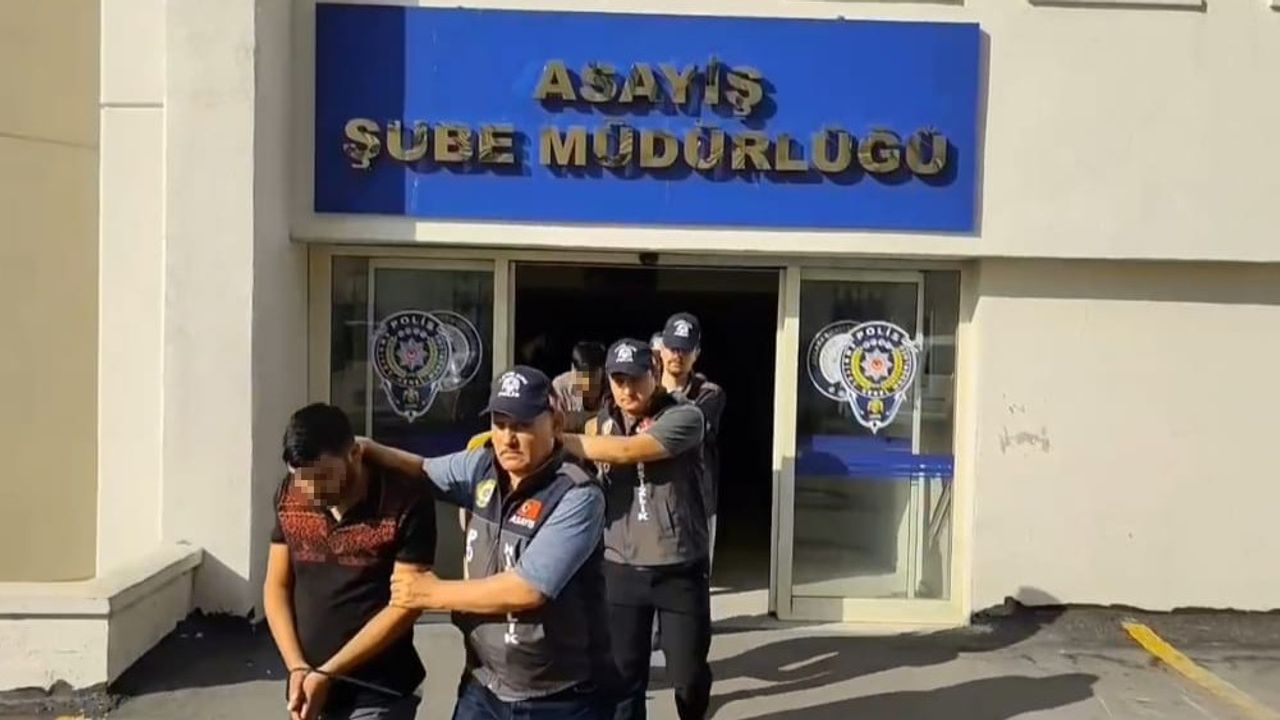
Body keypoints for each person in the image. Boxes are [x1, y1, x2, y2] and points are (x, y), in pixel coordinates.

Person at [360, 366, 613, 720]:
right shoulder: (481, 467)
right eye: (500, 424)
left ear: (556, 424)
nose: (508, 439)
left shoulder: (577, 494)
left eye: (522, 425)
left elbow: (527, 589)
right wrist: (366, 449)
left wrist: (430, 593)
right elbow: (422, 470)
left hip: (558, 697)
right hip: (483, 684)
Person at [559, 339, 712, 720]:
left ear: (655, 373)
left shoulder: (685, 416)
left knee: (688, 677)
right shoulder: (601, 422)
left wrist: (553, 437)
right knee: (623, 681)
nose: (627, 389)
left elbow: (628, 451)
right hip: (621, 567)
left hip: (678, 566)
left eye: (636, 378)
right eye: (618, 380)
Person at [263, 404, 436, 720]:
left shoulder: (404, 500)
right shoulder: (290, 495)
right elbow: (277, 586)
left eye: (323, 477)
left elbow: (407, 604)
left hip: (379, 690)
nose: (312, 491)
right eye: (302, 479)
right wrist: (297, 666)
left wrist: (329, 671)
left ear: (355, 454)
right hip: (308, 686)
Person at [658, 313, 726, 568]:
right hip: (652, 501)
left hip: (696, 501)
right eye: (673, 348)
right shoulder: (643, 389)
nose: (677, 355)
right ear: (661, 350)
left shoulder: (709, 393)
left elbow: (688, 427)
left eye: (685, 349)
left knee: (697, 577)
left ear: (696, 353)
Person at [552, 341, 608, 433]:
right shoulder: (560, 388)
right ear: (573, 368)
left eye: (591, 376)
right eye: (582, 376)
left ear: (603, 371)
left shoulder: (614, 388)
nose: (586, 383)